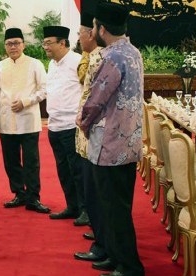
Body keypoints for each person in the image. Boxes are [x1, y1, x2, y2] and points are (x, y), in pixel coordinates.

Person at [79, 2, 145, 275]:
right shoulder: (133, 52)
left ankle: (129, 267)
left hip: (109, 144)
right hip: (127, 143)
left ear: (101, 29)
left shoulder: (112, 57)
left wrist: (82, 122)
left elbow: (96, 99)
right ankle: (115, 257)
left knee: (113, 209)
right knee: (117, 206)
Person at [0, 28, 49, 213]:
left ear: (23, 44)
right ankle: (19, 194)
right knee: (11, 161)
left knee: (31, 161)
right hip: (6, 121)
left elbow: (45, 89)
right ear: (5, 46)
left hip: (29, 119)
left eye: (16, 43)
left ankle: (33, 198)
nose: (13, 46)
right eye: (9, 43)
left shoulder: (35, 64)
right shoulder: (0, 66)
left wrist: (26, 101)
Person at [72, 11, 108, 264]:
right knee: (91, 191)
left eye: (80, 33)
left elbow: (93, 99)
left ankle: (102, 242)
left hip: (93, 135)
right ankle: (100, 235)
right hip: (87, 137)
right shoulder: (93, 56)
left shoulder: (99, 59)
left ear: (92, 35)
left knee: (96, 194)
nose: (78, 38)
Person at [43, 26, 88, 226]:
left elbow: (88, 90)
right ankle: (72, 206)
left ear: (63, 43)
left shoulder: (77, 61)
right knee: (63, 170)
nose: (45, 47)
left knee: (78, 170)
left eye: (49, 43)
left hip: (72, 125)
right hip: (54, 125)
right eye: (44, 43)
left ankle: (86, 210)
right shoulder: (52, 64)